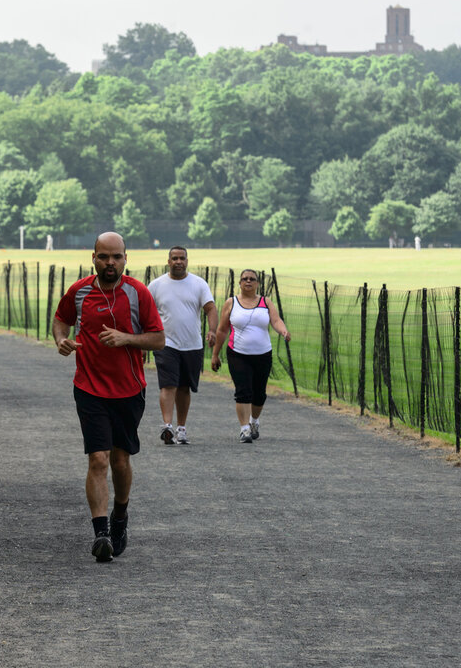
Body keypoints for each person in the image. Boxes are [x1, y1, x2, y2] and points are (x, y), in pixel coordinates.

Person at [53, 232, 164, 563]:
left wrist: (126, 338)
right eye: (104, 257)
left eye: (116, 257)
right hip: (88, 387)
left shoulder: (137, 293)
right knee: (98, 458)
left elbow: (158, 339)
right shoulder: (79, 291)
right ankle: (101, 533)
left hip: (129, 389)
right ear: (94, 257)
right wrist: (61, 340)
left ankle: (120, 515)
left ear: (126, 258)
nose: (110, 263)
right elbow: (61, 321)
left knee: (120, 459)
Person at [211, 269, 290, 444]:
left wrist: (283, 331)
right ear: (239, 283)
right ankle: (244, 429)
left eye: (252, 279)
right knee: (243, 391)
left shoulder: (265, 302)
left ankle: (254, 421)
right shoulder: (231, 303)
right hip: (238, 354)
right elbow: (222, 329)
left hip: (262, 354)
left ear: (257, 284)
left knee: (259, 393)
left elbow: (276, 321)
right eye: (244, 279)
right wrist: (215, 354)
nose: (248, 281)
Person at [147, 246, 217, 445]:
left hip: (192, 344)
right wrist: (146, 338)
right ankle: (167, 426)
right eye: (175, 258)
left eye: (182, 258)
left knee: (184, 387)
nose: (179, 262)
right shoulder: (156, 285)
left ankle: (181, 428)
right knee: (168, 384)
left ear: (187, 260)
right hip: (165, 343)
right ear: (168, 261)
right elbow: (146, 313)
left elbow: (210, 308)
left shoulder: (198, 284)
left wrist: (212, 330)